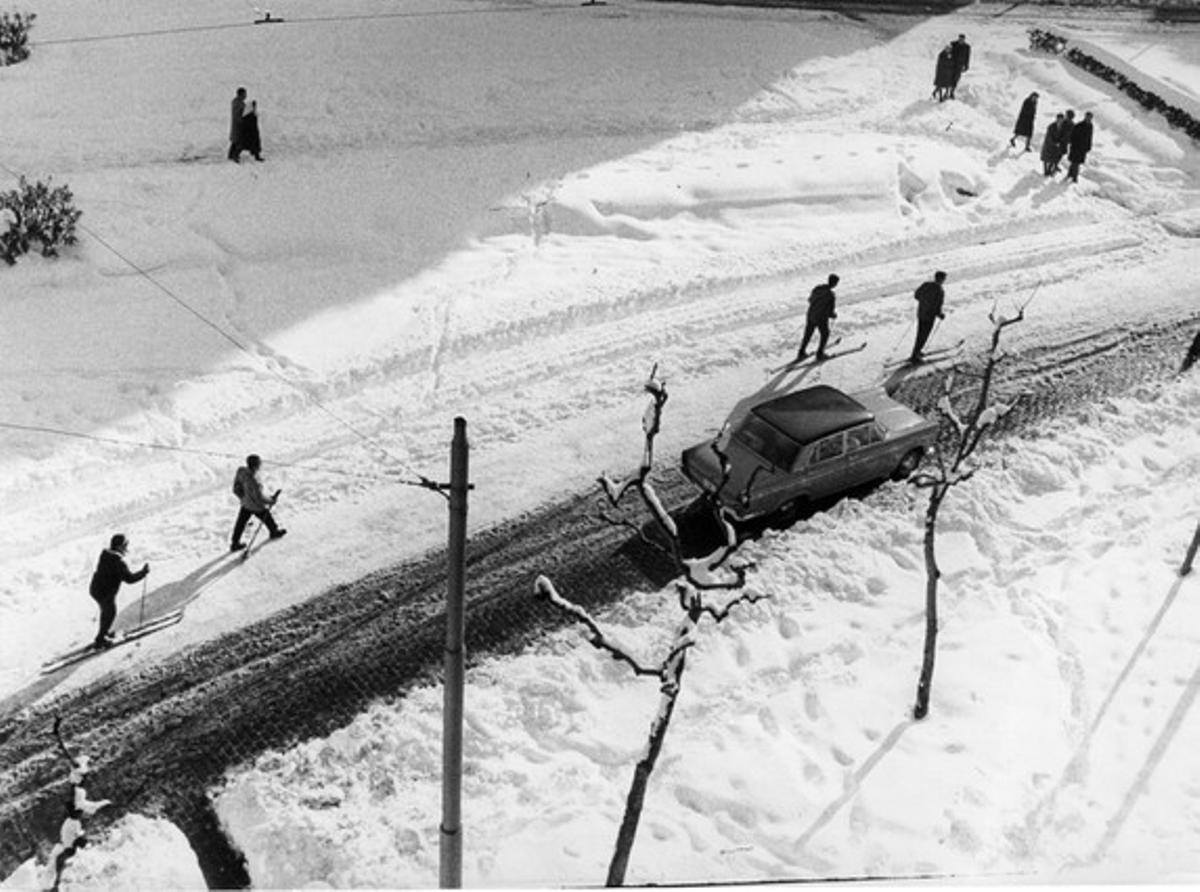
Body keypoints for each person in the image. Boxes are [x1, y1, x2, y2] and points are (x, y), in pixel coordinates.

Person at [88, 534, 149, 649]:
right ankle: (100, 640)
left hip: (95, 588)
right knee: (110, 612)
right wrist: (143, 572)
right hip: (105, 593)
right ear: (119, 547)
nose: (126, 548)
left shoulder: (105, 554)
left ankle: (104, 633)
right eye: (125, 545)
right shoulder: (118, 562)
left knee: (106, 612)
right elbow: (130, 579)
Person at [231, 454, 285, 551]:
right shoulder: (255, 481)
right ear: (256, 466)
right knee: (268, 518)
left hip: (245, 503)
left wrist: (242, 497)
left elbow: (236, 486)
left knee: (240, 524)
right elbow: (260, 498)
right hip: (255, 506)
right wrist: (271, 500)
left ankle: (235, 543)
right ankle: (274, 531)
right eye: (260, 463)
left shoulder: (241, 471)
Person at [797, 274, 839, 361]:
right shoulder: (831, 296)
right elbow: (830, 312)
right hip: (821, 318)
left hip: (811, 314)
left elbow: (810, 300)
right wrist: (834, 315)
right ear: (835, 284)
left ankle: (801, 352)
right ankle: (820, 354)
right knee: (825, 334)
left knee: (808, 334)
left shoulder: (818, 288)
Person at [910, 271, 947, 363]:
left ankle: (916, 352)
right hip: (929, 316)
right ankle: (915, 356)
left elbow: (916, 295)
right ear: (941, 279)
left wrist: (924, 302)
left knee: (919, 334)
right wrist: (940, 315)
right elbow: (937, 306)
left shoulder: (926, 284)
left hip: (921, 313)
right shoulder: (940, 290)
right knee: (924, 335)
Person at [1066, 111, 1094, 183]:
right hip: (1076, 147)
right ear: (1085, 117)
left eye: (1090, 118)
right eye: (1088, 117)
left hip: (1083, 148)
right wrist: (1073, 144)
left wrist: (1088, 146)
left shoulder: (1090, 126)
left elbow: (1090, 137)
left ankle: (1070, 174)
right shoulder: (1079, 125)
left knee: (1075, 162)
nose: (1089, 119)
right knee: (1075, 162)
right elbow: (1073, 135)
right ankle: (1074, 177)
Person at [949, 34, 971, 99]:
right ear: (958, 38)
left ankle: (951, 92)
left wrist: (966, 65)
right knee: (949, 78)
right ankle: (947, 91)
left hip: (959, 66)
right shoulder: (953, 44)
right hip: (951, 65)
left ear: (964, 40)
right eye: (960, 39)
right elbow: (948, 52)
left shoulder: (967, 47)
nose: (961, 40)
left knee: (956, 79)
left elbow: (967, 57)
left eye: (962, 39)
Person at [242, 97, 264, 162]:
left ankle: (256, 155)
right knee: (252, 145)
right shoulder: (249, 115)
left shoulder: (250, 114)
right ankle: (257, 156)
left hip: (252, 133)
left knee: (253, 145)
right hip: (251, 133)